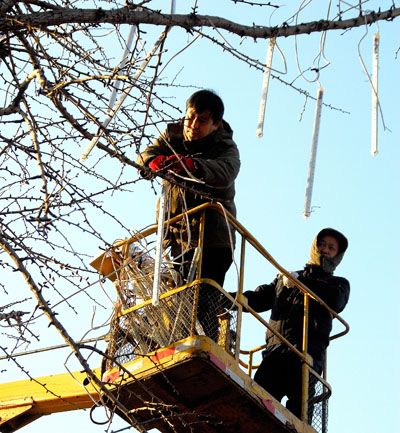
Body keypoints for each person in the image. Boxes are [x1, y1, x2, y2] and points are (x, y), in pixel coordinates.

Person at [137, 89, 241, 341]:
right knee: (176, 299)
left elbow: (225, 173)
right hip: (177, 236)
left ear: (216, 125)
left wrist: (192, 166)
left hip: (213, 238)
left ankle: (204, 344)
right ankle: (174, 342)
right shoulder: (172, 137)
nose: (193, 125)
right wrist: (154, 163)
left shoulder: (225, 147)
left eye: (202, 120)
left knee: (202, 297)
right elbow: (145, 155)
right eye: (190, 117)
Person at [240, 228, 350, 421]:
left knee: (297, 417)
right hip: (275, 351)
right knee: (256, 405)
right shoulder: (286, 278)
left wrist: (302, 283)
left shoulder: (338, 284)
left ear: (337, 255)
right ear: (314, 247)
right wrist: (230, 299)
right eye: (322, 244)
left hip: (306, 356)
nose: (325, 249)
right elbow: (260, 298)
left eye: (331, 248)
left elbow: (336, 301)